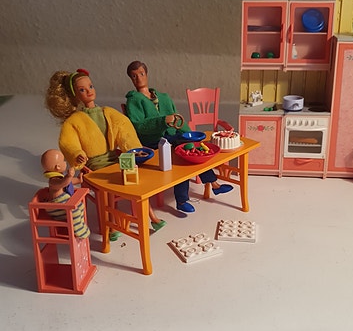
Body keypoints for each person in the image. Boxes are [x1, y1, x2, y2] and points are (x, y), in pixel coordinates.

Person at [45, 68, 166, 234]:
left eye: (90, 86)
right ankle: (111, 224)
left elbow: (124, 129)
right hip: (95, 166)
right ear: (75, 96)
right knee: (110, 188)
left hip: (115, 159)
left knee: (137, 181)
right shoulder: (74, 121)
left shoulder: (107, 112)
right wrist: (77, 154)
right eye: (82, 90)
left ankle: (152, 217)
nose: (89, 91)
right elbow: (68, 143)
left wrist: (133, 149)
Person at [125, 60, 233, 213]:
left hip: (172, 136)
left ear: (147, 74)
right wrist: (162, 121)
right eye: (134, 76)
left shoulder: (163, 97)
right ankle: (186, 198)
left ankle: (212, 185)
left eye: (141, 74)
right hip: (154, 141)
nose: (139, 78)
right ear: (131, 79)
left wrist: (190, 135)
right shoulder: (133, 100)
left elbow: (177, 119)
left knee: (191, 146)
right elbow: (138, 126)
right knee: (182, 152)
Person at [41, 148, 90, 240]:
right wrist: (69, 176)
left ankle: (79, 225)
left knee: (80, 206)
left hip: (63, 203)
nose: (65, 162)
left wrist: (78, 179)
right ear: (58, 167)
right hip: (56, 207)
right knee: (75, 211)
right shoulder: (53, 181)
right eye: (64, 161)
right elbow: (63, 183)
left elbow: (69, 182)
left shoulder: (60, 177)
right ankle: (78, 230)